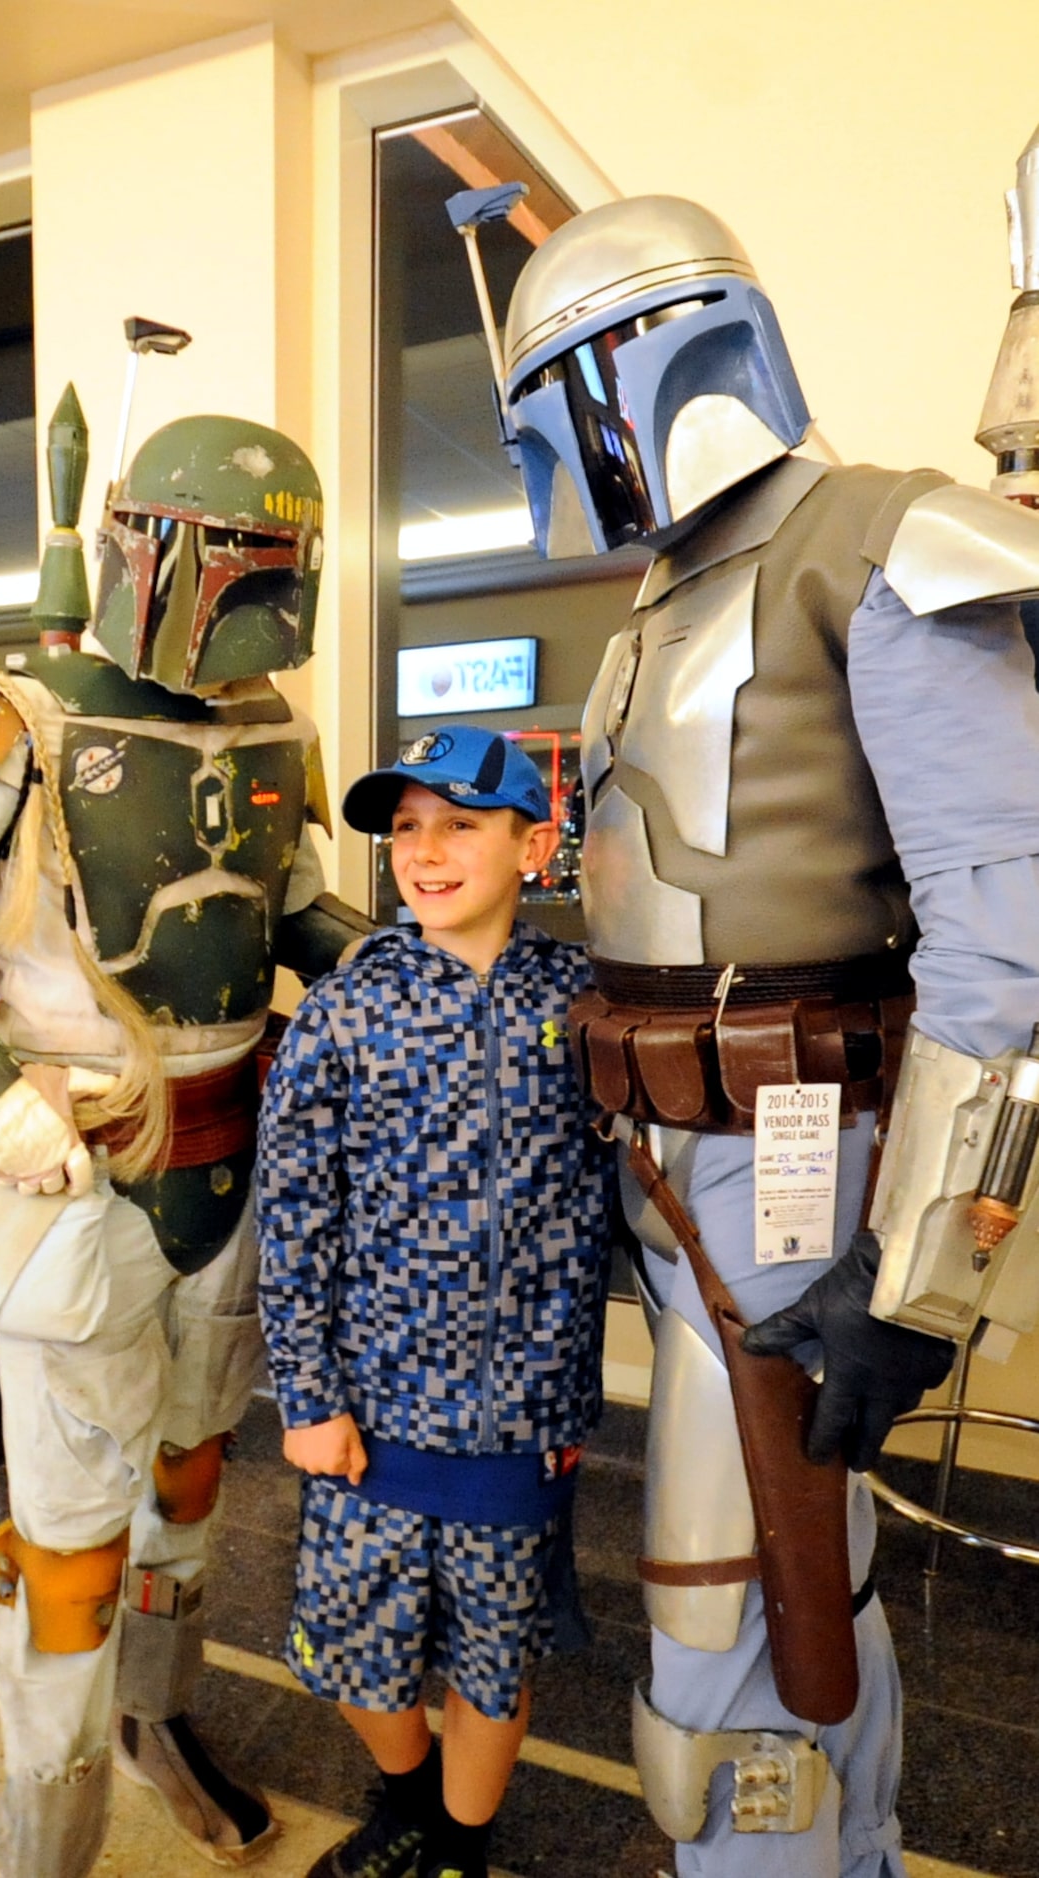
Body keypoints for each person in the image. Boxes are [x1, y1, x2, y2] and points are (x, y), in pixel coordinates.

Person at [451, 192, 1039, 1875]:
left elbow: (1005, 946)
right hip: (673, 1170)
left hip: (797, 1171)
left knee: (730, 1638)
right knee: (796, 1589)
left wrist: (918, 1274)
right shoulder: (666, 596)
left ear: (632, 370)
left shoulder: (873, 544)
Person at [0, 394, 371, 1878]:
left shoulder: (269, 728)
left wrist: (431, 982)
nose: (259, 591)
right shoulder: (14, 720)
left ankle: (157, 1718)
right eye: (231, 555)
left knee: (189, 1489)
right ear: (149, 550)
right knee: (63, 1550)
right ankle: (44, 1839)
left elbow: (285, 907)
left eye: (280, 560)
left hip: (232, 1178)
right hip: (73, 1181)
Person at [255, 724, 615, 1878]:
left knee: (488, 1657)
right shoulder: (347, 1007)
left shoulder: (586, 1005)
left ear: (532, 844)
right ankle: (405, 1799)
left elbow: (635, 1194)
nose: (426, 850)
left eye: (459, 824)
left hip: (520, 1418)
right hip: (373, 1410)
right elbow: (296, 1218)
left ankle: (459, 1844)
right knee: (357, 1651)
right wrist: (307, 1397)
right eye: (406, 828)